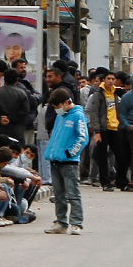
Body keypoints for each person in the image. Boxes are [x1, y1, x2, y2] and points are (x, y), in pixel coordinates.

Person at [43, 87, 88, 235]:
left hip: (69, 161)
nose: (56, 109)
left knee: (72, 193)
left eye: (57, 106)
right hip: (55, 159)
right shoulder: (60, 117)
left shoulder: (78, 116)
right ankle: (61, 222)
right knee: (59, 194)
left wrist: (70, 153)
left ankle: (76, 222)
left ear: (67, 102)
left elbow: (82, 138)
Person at [85, 71, 126, 192]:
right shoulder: (98, 94)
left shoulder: (115, 92)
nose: (111, 81)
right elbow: (94, 113)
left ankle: (121, 181)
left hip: (115, 127)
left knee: (121, 155)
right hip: (103, 129)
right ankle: (105, 182)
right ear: (104, 80)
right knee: (103, 157)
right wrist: (97, 131)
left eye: (113, 79)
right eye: (108, 78)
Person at [0, 69, 32, 142]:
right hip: (17, 131)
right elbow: (25, 111)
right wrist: (10, 118)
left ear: (4, 79)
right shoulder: (22, 93)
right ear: (17, 79)